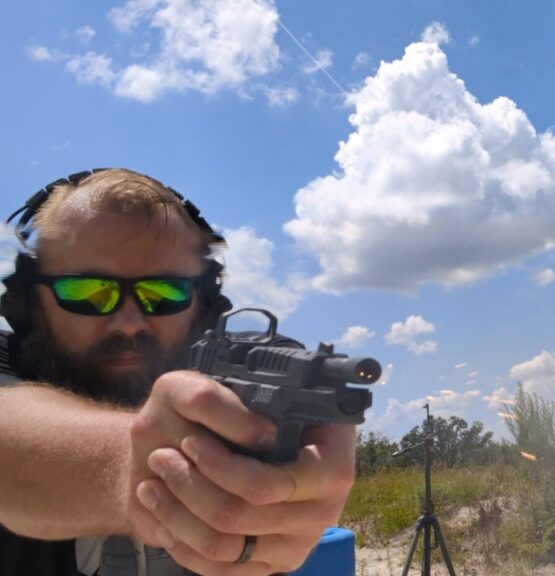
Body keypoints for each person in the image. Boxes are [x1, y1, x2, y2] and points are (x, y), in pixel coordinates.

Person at [0, 169, 355, 576]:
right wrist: (137, 466)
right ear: (28, 300)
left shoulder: (253, 364)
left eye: (164, 293)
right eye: (88, 292)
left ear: (203, 303)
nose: (129, 322)